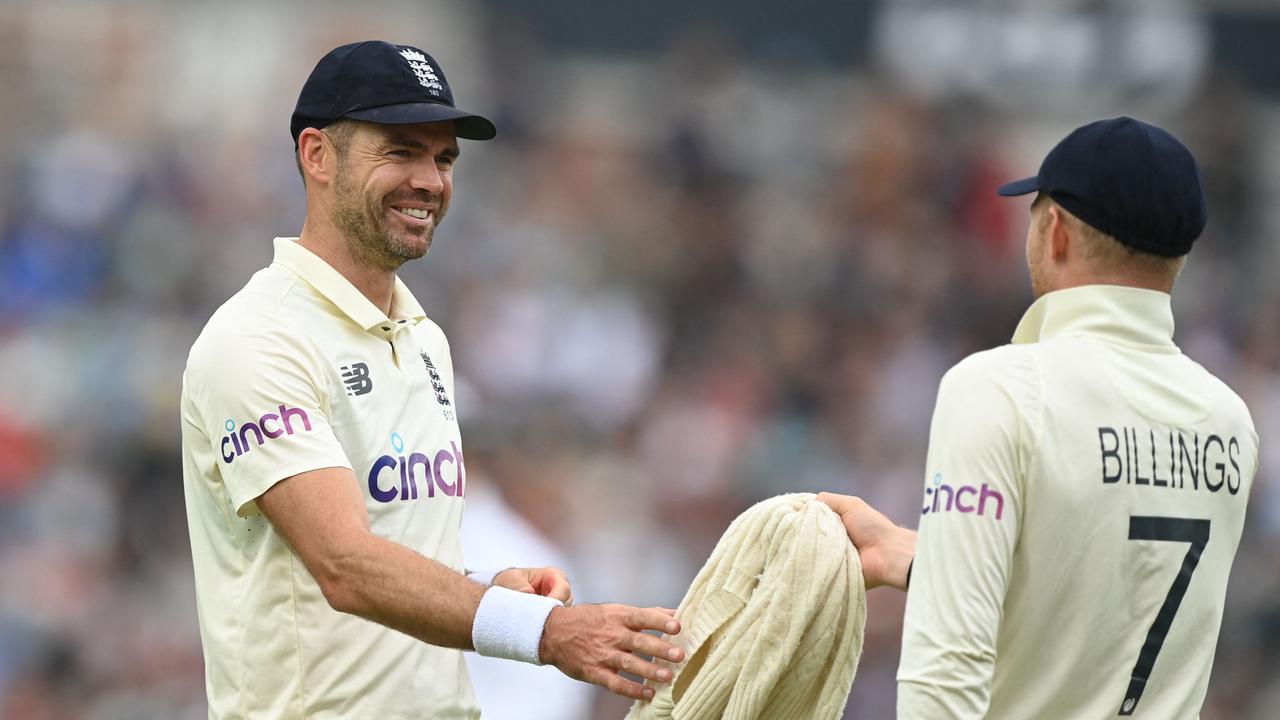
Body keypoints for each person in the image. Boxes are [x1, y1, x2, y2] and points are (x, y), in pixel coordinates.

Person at [179, 40, 683, 719]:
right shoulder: (259, 339)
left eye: (443, 158)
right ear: (317, 155)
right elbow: (345, 566)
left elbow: (396, 554)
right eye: (401, 151)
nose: (430, 180)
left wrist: (490, 591)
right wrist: (545, 632)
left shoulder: (423, 339)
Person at [820, 116, 1259, 718]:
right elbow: (1104, 608)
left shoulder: (998, 389)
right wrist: (934, 559)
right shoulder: (1230, 421)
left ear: (1055, 230)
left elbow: (946, 669)